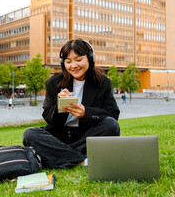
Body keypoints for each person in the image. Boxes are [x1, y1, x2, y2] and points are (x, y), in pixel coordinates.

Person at [23, 39, 120, 169]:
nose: (73, 65)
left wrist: (86, 113)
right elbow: (48, 117)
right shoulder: (53, 83)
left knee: (111, 125)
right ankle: (81, 160)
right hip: (58, 138)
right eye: (68, 62)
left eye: (78, 60)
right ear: (64, 63)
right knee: (30, 134)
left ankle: (60, 157)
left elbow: (112, 114)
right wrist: (59, 105)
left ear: (90, 59)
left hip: (85, 137)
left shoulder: (103, 82)